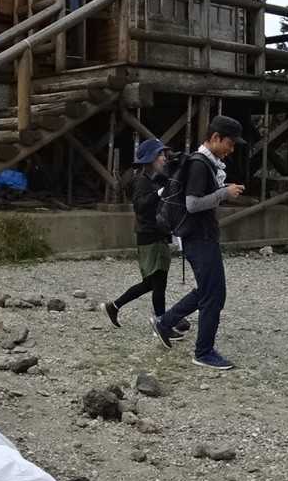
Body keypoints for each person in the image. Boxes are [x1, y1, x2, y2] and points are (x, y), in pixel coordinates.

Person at [153, 114, 245, 370]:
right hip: (199, 237)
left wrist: (222, 191)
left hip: (199, 236)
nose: (231, 149)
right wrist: (223, 193)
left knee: (207, 290)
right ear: (215, 137)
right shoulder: (199, 164)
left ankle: (164, 323)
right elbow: (192, 204)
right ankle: (203, 352)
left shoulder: (205, 163)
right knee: (214, 295)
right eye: (230, 143)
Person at [103, 139, 183, 330]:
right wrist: (160, 193)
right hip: (150, 236)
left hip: (155, 234)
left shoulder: (152, 179)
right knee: (159, 283)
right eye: (160, 155)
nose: (164, 158)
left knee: (150, 283)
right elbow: (140, 206)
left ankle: (114, 306)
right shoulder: (141, 181)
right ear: (151, 158)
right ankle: (162, 323)